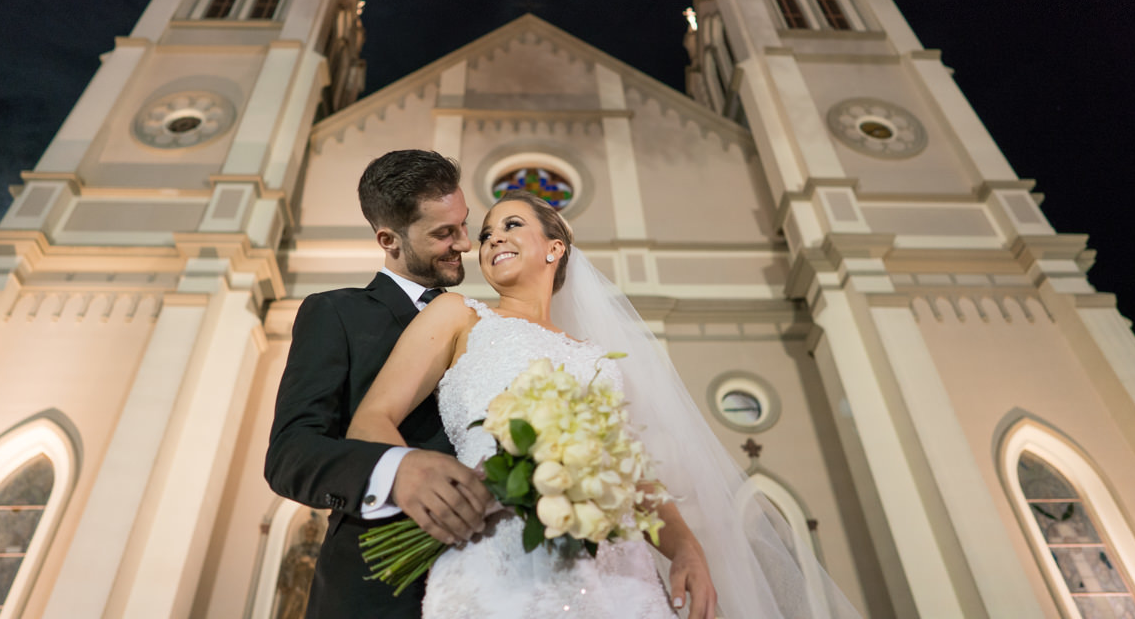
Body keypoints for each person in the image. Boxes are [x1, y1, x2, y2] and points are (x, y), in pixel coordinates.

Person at [350, 191, 865, 619]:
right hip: (493, 546)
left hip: (618, 569)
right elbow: (373, 418)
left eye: (510, 225)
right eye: (485, 234)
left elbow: (630, 472)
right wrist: (424, 490)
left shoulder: (599, 360)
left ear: (555, 248)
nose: (491, 239)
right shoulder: (458, 315)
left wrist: (686, 548)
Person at [265, 150, 493, 619]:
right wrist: (395, 470)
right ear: (388, 239)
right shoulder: (336, 313)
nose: (465, 244)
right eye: (444, 233)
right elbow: (291, 453)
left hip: (487, 575)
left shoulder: (489, 326)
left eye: (464, 224)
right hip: (378, 580)